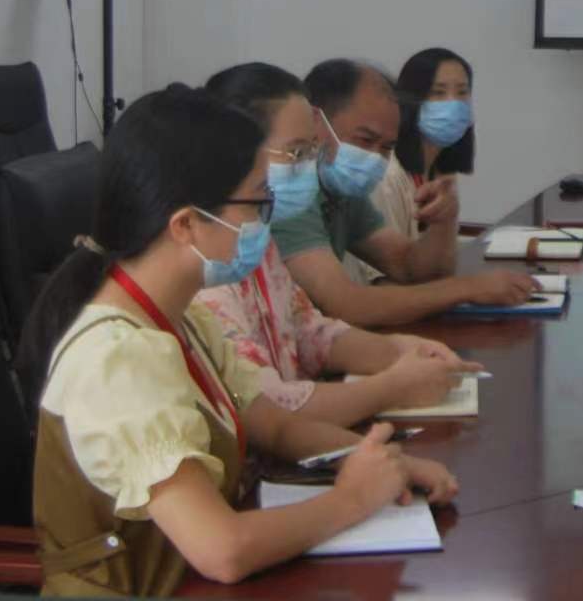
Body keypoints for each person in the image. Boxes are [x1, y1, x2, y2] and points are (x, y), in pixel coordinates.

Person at [18, 86, 458, 596]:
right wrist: (353, 499)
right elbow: (222, 550)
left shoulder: (182, 319)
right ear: (186, 224)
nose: (267, 223)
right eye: (257, 204)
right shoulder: (118, 360)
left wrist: (382, 463)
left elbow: (276, 426)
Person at [196, 62, 473, 427]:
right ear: (234, 151)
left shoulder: (257, 240)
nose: (310, 165)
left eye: (313, 151)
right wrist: (392, 387)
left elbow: (309, 330)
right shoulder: (203, 269)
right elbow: (268, 410)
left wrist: (399, 350)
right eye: (298, 154)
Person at [276, 59, 533, 327]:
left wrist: (443, 223)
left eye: (387, 147)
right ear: (314, 123)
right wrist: (467, 288)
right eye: (365, 139)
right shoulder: (289, 191)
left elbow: (409, 268)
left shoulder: (341, 188)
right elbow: (345, 305)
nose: (375, 157)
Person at [346, 48, 475, 286]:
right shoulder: (387, 176)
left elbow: (441, 268)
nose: (453, 104)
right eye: (438, 93)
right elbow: (383, 282)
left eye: (462, 92)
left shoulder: (441, 172)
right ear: (410, 101)